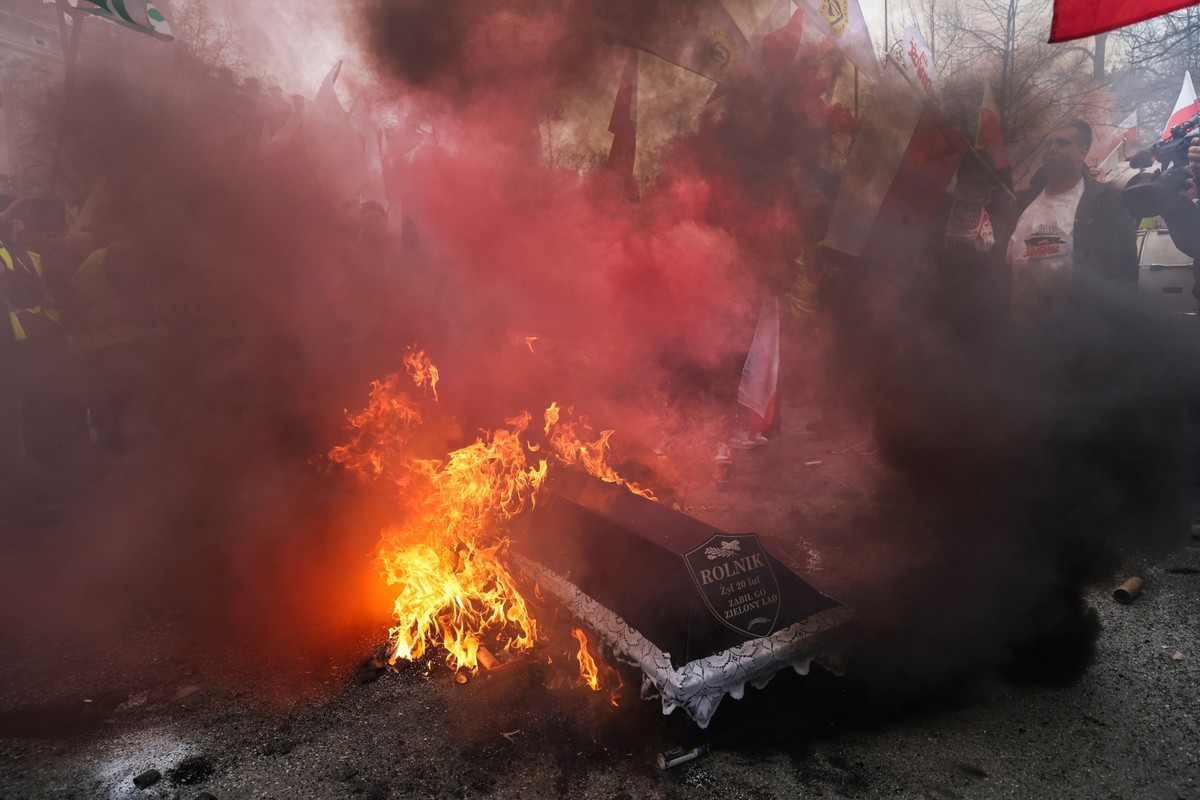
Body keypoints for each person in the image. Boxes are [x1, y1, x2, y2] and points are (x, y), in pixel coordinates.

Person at [1006, 119, 1137, 319]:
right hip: (1021, 329)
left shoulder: (1105, 202)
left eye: (1062, 143)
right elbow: (1003, 267)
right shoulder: (1023, 202)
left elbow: (1124, 273)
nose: (1051, 150)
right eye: (1048, 144)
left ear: (1082, 153)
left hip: (1078, 329)